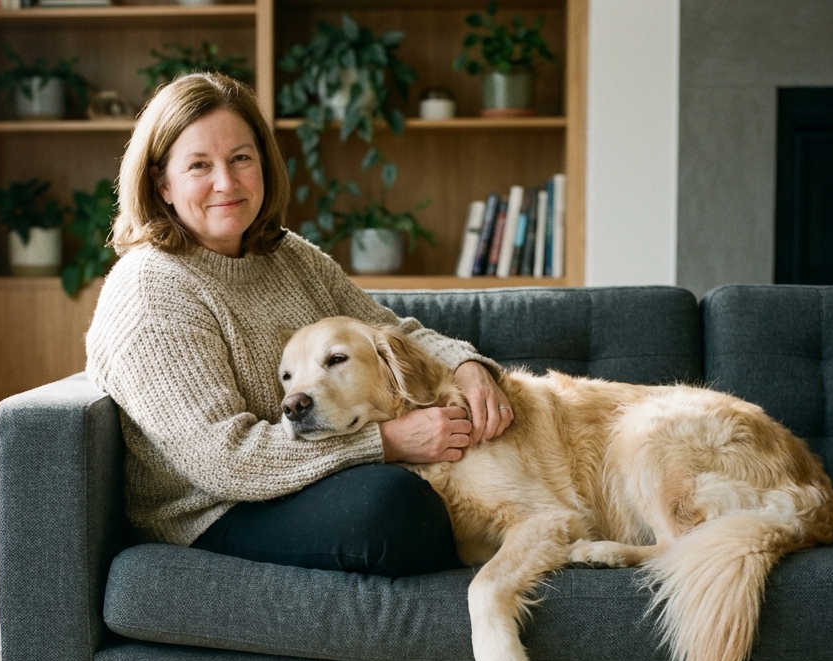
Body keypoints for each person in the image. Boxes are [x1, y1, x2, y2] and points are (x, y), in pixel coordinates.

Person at [85, 72, 513, 576]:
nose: (227, 182)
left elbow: (389, 331)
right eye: (199, 165)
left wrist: (465, 365)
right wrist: (388, 442)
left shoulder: (290, 257)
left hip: (304, 478)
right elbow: (225, 461)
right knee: (396, 508)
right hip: (215, 512)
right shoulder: (150, 291)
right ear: (163, 184)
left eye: (241, 158)